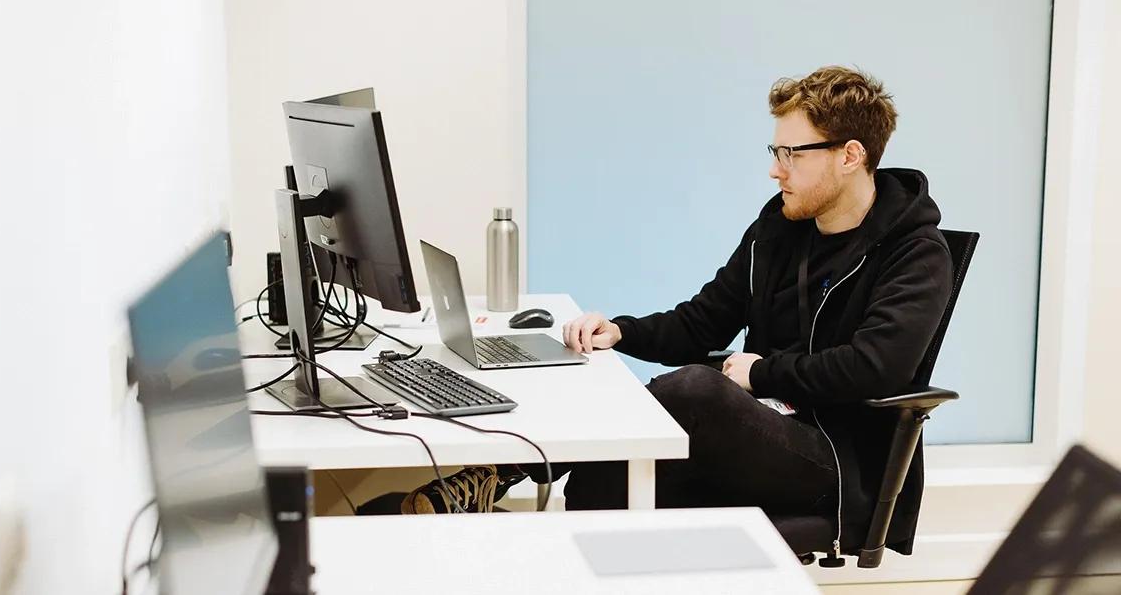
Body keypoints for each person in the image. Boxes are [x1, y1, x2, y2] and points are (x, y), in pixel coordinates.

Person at [401, 65, 953, 558]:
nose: (775, 170)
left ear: (850, 155)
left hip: (837, 462)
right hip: (765, 428)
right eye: (775, 153)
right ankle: (502, 488)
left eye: (792, 154)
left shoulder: (915, 253)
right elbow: (704, 319)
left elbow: (874, 366)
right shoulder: (780, 229)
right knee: (599, 488)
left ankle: (500, 475)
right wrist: (618, 331)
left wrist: (760, 373)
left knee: (697, 389)